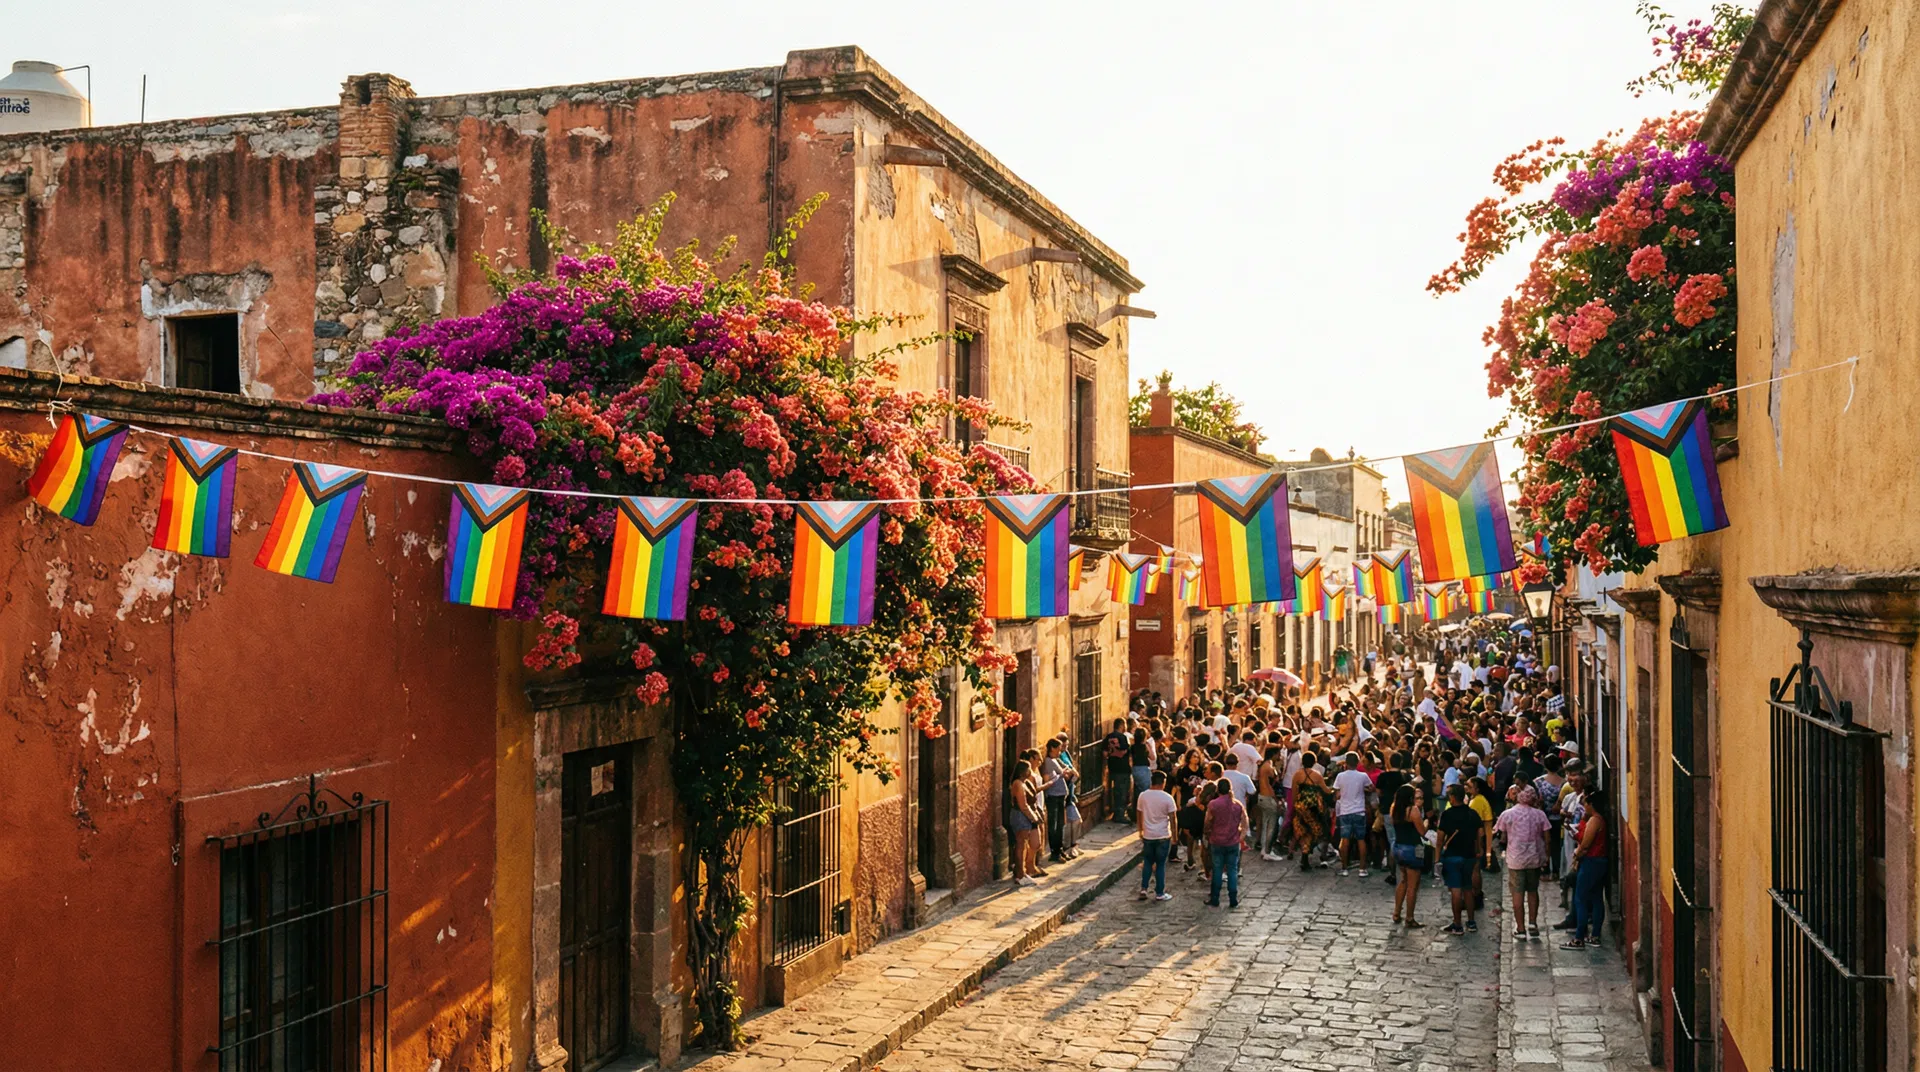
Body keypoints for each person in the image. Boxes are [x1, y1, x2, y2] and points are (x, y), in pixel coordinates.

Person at [1494, 785, 1552, 939]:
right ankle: (1532, 923)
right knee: (1533, 891)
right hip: (1534, 858)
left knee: (1517, 893)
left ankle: (1520, 929)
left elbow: (1501, 834)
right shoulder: (1540, 815)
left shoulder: (1508, 814)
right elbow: (1547, 838)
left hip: (1516, 860)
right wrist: (1547, 856)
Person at [1561, 790, 1610, 949]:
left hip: (1591, 862)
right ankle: (1595, 935)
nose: (1584, 806)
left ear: (1592, 805)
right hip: (1599, 862)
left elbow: (1586, 844)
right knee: (1596, 898)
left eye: (1586, 803)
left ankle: (1579, 938)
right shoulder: (1598, 820)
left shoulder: (1595, 821)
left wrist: (1577, 854)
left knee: (1580, 898)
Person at [1438, 784, 1485, 935]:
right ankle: (1471, 922)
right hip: (1469, 855)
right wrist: (1479, 849)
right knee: (1467, 889)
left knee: (1456, 891)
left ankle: (1457, 923)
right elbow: (1480, 833)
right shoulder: (1472, 813)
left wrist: (1437, 857)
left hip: (1452, 855)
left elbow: (1440, 839)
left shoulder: (1447, 815)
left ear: (1452, 797)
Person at [1205, 777, 1249, 909]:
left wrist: (1208, 834)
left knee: (1217, 869)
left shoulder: (1213, 804)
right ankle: (1233, 898)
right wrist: (1240, 837)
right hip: (1232, 841)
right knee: (1232, 870)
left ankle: (1215, 898)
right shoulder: (1237, 805)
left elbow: (1207, 822)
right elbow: (1245, 823)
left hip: (1217, 840)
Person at [1135, 771, 1178, 902]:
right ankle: (1159, 892)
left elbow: (1139, 814)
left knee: (1147, 862)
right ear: (1163, 782)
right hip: (1163, 835)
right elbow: (1173, 818)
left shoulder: (1143, 796)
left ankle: (1144, 888)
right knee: (1160, 864)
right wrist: (1175, 836)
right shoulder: (1168, 798)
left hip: (1148, 835)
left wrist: (1140, 830)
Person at [1389, 784, 1428, 928]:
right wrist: (1427, 822)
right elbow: (1422, 831)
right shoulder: (1413, 810)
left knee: (1403, 880)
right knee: (1413, 885)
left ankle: (1396, 912)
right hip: (1412, 847)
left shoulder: (1394, 808)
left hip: (1398, 846)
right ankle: (1410, 917)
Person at [1331, 752, 1374, 877]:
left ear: (1346, 763)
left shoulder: (1340, 776)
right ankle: (1362, 869)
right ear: (1357, 763)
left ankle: (1344, 867)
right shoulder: (1363, 776)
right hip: (1359, 810)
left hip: (1345, 811)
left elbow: (1337, 793)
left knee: (1345, 839)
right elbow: (1371, 788)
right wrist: (1362, 789)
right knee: (1361, 839)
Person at [1006, 760, 1044, 886]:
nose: (1030, 771)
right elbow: (1023, 805)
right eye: (1028, 769)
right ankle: (1020, 875)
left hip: (1023, 816)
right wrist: (1034, 817)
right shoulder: (1018, 784)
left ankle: (1022, 872)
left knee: (1024, 845)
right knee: (1020, 845)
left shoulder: (1024, 783)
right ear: (1023, 771)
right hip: (1020, 816)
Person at [1291, 751, 1330, 870]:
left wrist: (1295, 806)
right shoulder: (1317, 775)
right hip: (1313, 807)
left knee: (1304, 831)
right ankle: (1306, 854)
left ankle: (1305, 855)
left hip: (1300, 806)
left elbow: (1294, 792)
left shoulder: (1297, 775)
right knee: (1317, 831)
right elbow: (1326, 790)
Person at [1040, 739, 1071, 863]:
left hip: (1059, 795)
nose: (1060, 751)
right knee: (1054, 824)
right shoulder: (1049, 761)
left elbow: (1067, 768)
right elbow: (1063, 771)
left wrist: (1064, 772)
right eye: (1058, 748)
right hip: (1053, 796)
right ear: (1052, 748)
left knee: (1060, 823)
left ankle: (1059, 849)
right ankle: (1055, 851)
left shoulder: (1054, 760)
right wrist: (1062, 773)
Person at [1255, 745, 1285, 861]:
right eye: (1278, 753)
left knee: (1266, 824)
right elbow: (1273, 784)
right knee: (1272, 826)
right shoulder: (1269, 767)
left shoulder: (1264, 765)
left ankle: (1264, 849)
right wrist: (1277, 801)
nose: (1280, 756)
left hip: (1262, 797)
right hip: (1268, 797)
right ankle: (1267, 851)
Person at [1103, 718, 1132, 822]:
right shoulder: (1123, 737)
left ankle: (1115, 813)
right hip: (1123, 769)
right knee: (1122, 792)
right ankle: (1120, 815)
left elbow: (1105, 754)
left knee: (1115, 792)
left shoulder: (1108, 737)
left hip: (1112, 768)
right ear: (1122, 725)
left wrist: (1112, 753)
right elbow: (1125, 751)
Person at [1129, 727, 1154, 820]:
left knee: (1137, 793)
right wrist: (1150, 747)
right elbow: (1153, 757)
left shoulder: (1132, 747)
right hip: (1144, 769)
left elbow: (1130, 759)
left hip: (1135, 769)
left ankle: (1136, 814)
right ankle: (1145, 814)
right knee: (1146, 792)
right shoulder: (1145, 746)